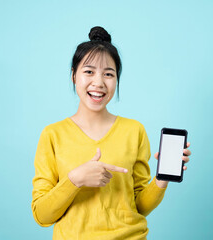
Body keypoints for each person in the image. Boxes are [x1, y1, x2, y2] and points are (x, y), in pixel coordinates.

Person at [31, 26, 192, 240]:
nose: (98, 83)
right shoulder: (52, 135)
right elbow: (42, 215)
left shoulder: (134, 131)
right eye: (89, 71)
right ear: (73, 76)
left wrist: (161, 179)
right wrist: (75, 180)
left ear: (116, 80)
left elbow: (139, 206)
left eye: (108, 74)